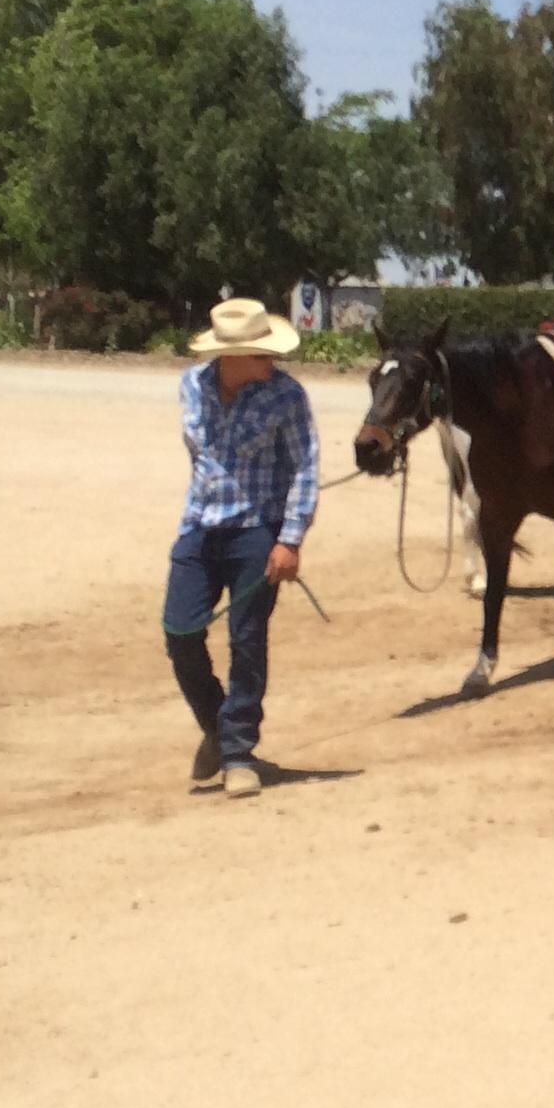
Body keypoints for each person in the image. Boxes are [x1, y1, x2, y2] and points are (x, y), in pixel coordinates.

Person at [167, 296, 319, 798]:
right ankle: (217, 723)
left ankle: (237, 754)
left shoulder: (287, 397)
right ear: (229, 357)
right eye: (261, 354)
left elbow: (304, 469)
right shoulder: (190, 386)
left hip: (258, 532)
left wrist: (289, 540)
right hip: (199, 527)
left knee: (246, 639)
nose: (271, 361)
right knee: (180, 630)